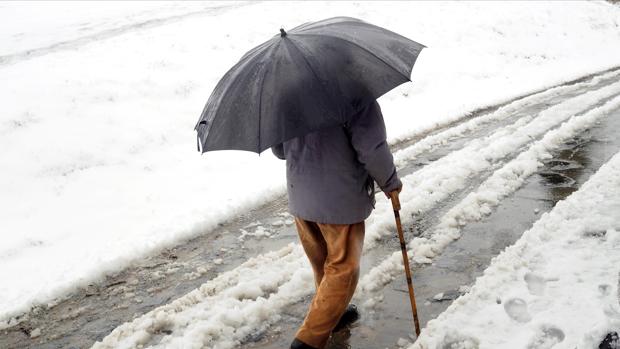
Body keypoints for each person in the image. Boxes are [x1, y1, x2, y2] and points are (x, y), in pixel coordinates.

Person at [272, 100, 402, 349]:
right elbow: (372, 149)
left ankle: (335, 314)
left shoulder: (288, 96)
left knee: (323, 262)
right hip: (339, 199)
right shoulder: (354, 94)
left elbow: (280, 150)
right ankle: (307, 342)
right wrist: (390, 182)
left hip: (301, 196)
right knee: (343, 268)